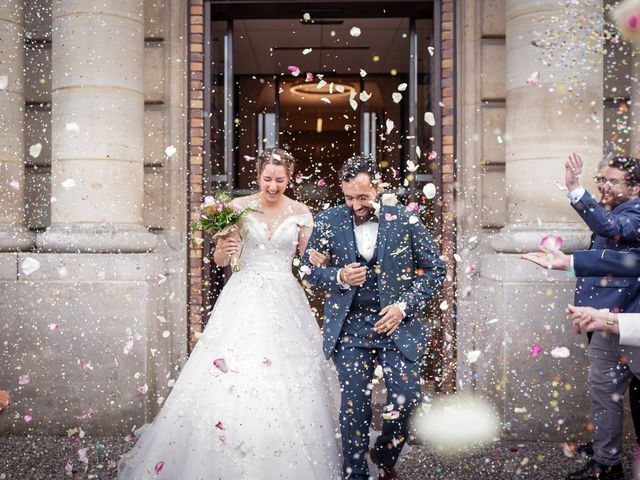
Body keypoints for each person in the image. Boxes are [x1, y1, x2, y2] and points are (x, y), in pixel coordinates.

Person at [118, 148, 342, 479]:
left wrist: (320, 260)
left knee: (289, 373)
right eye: (267, 179)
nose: (272, 186)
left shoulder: (300, 211)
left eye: (280, 180)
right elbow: (221, 261)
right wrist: (225, 249)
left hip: (284, 298)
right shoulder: (238, 208)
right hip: (244, 294)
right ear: (258, 176)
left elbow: (307, 260)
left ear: (289, 178)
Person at [301, 155, 445, 480]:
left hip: (397, 325)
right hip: (350, 328)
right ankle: (355, 474)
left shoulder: (405, 221)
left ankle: (384, 452)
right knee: (354, 407)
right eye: (349, 197)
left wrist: (402, 307)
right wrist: (337, 275)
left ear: (378, 189)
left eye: (363, 197)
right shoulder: (328, 220)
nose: (355, 205)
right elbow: (307, 269)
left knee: (408, 398)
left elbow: (436, 269)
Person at [564, 153, 640, 461]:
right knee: (603, 394)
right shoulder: (620, 208)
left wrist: (575, 189)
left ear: (635, 187)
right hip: (604, 322)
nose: (605, 186)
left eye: (613, 181)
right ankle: (606, 461)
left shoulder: (635, 212)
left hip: (628, 323)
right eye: (602, 180)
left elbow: (612, 228)